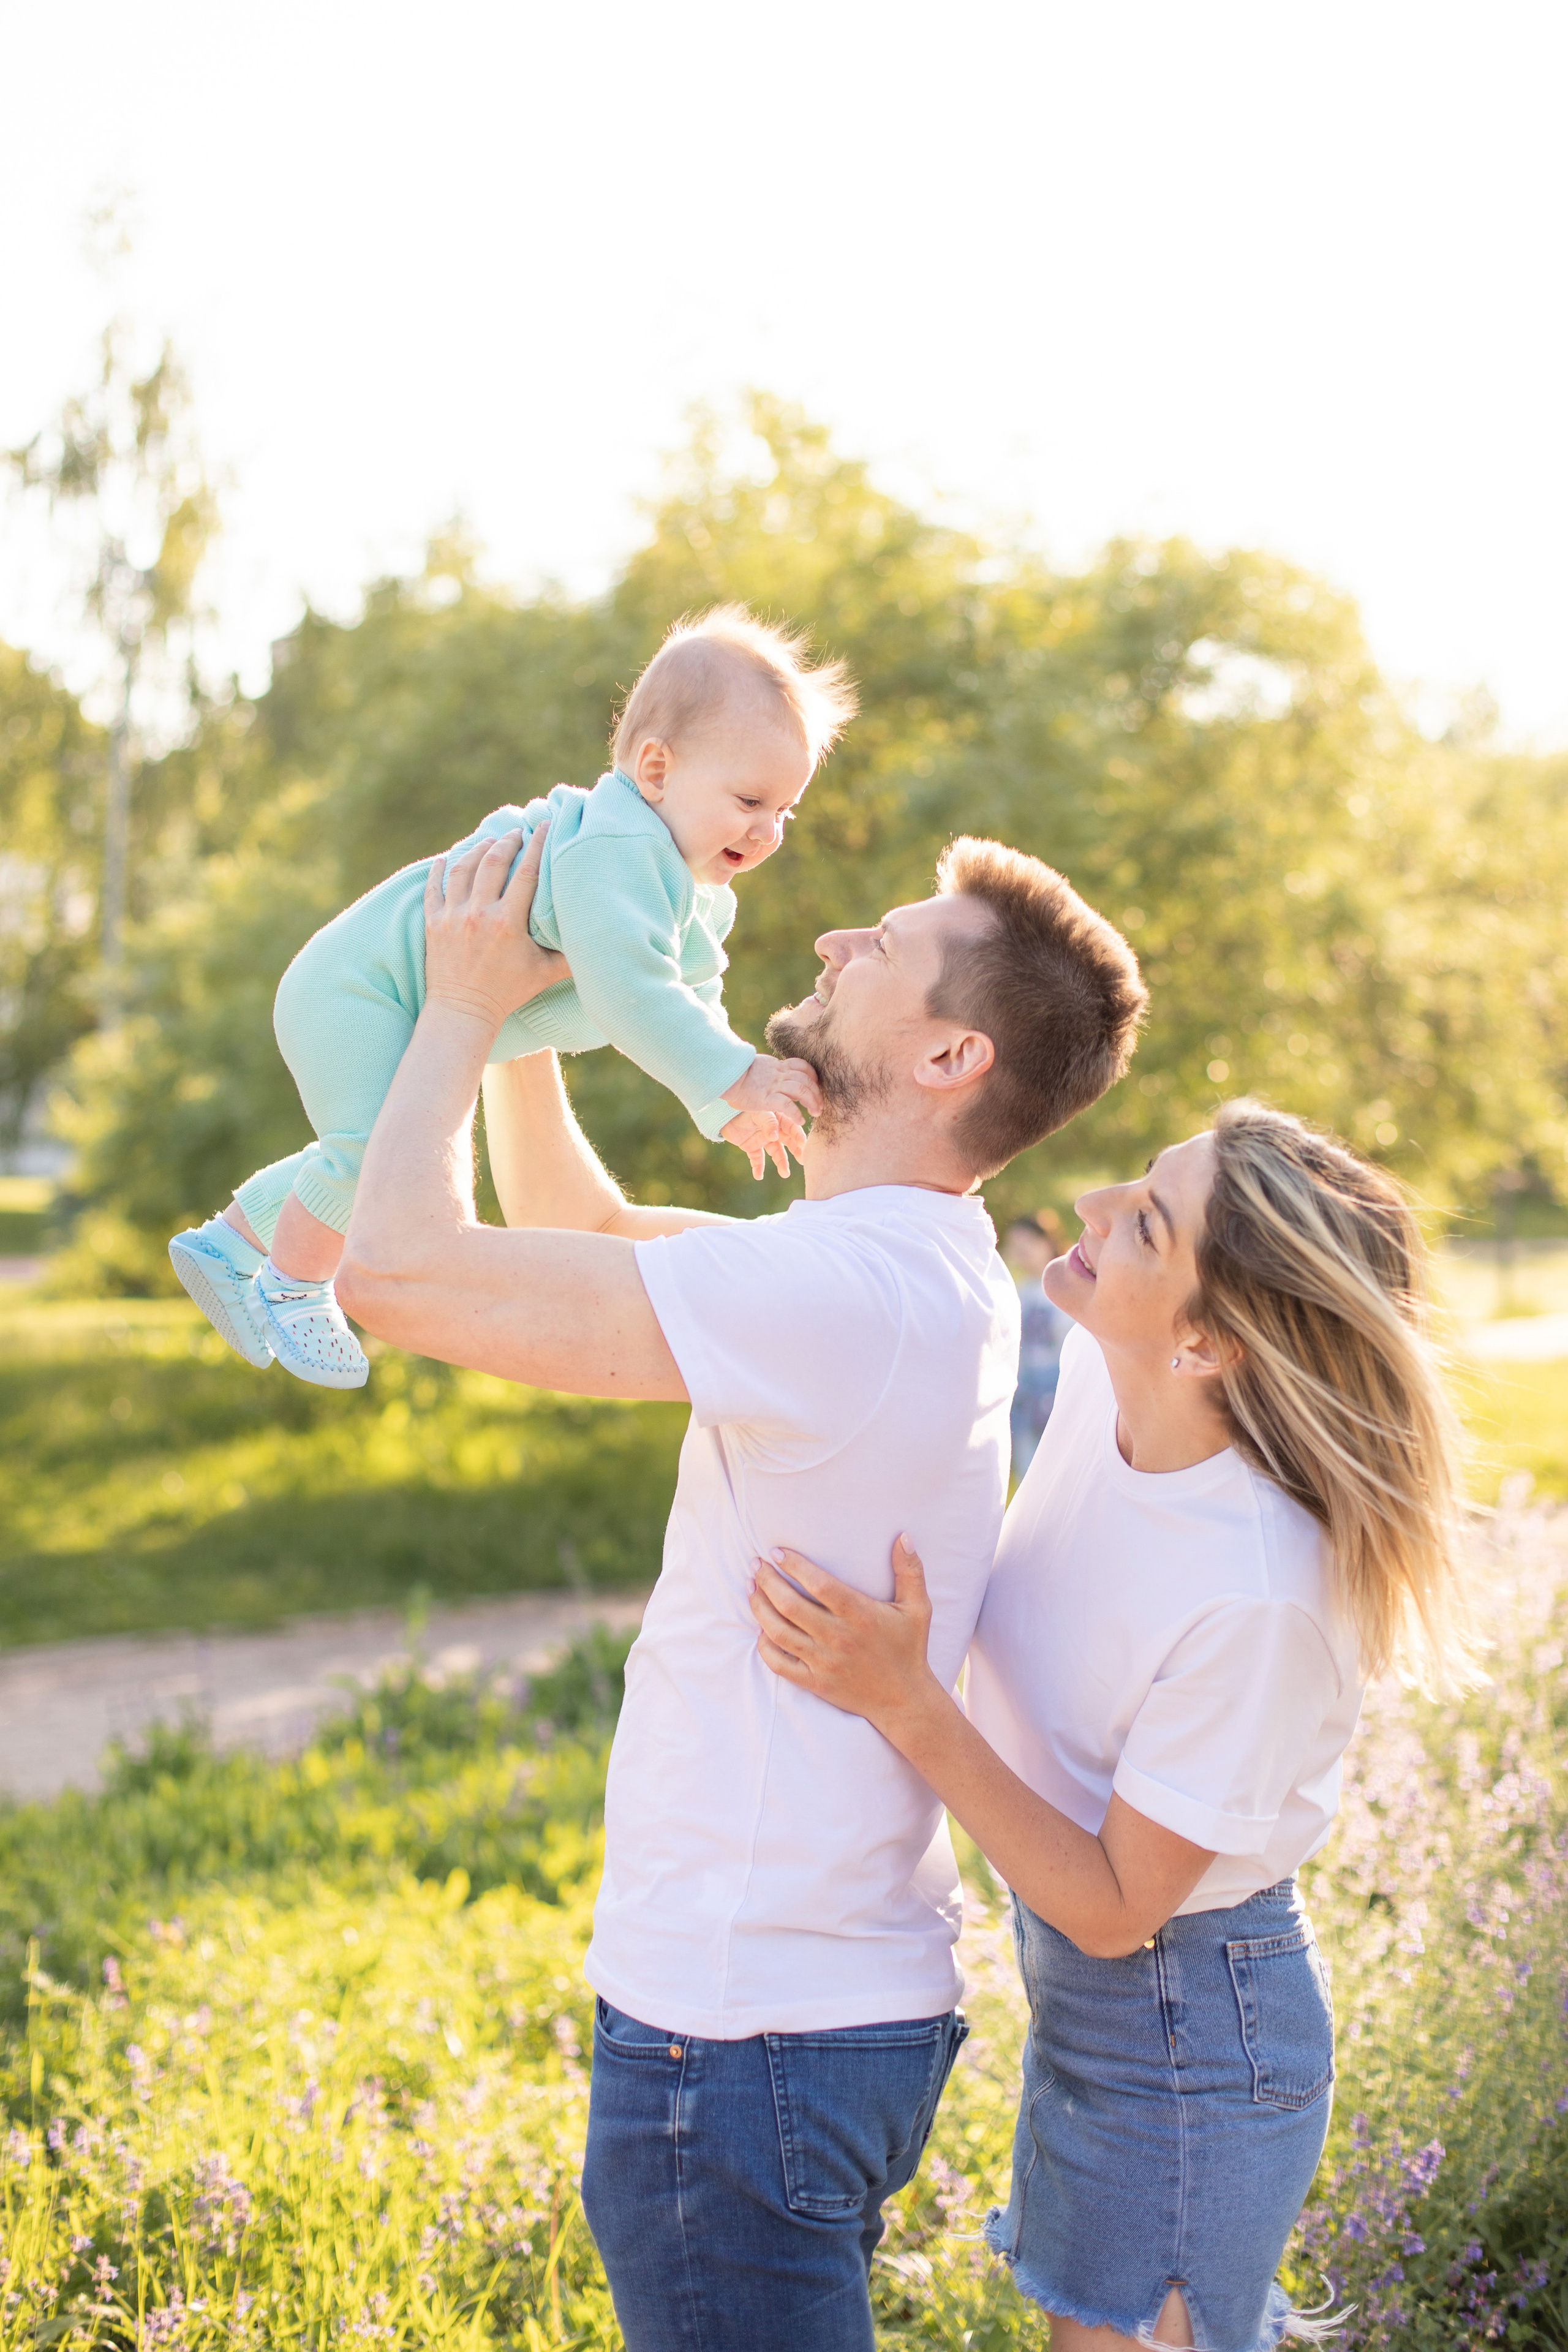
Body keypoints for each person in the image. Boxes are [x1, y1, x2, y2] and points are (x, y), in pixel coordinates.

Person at [333, 817, 1147, 2351]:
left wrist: (451, 1001)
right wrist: (528, 1014)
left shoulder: (839, 1293)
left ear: (946, 1057)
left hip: (743, 2032)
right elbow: (575, 1233)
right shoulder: (898, 1263)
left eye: (884, 949)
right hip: (808, 2012)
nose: (834, 943)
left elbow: (394, 1267)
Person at [750, 1100, 1474, 2352]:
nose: (1088, 1206)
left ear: (1203, 1342)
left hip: (1187, 2030)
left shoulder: (1256, 1594)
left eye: (1143, 1219)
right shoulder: (1102, 1377)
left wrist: (902, 1699)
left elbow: (1111, 1903)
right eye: (1138, 1182)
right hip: (1097, 2009)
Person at [167, 607, 853, 1390]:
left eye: (785, 811)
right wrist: (733, 1073)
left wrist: (725, 1104)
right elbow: (632, 992)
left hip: (396, 1001)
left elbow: (693, 993)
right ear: (657, 771)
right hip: (360, 989)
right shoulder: (616, 848)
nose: (769, 831)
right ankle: (294, 1285)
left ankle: (227, 1247)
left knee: (366, 1147)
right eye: (749, 801)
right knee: (373, 1154)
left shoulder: (695, 889)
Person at [1003, 1209, 1073, 1476]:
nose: (1022, 1253)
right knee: (1029, 1476)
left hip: (1057, 1391)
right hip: (1025, 1398)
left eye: (1028, 1245)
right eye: (1016, 1247)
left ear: (1047, 1242)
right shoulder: (1019, 1291)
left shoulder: (1066, 1286)